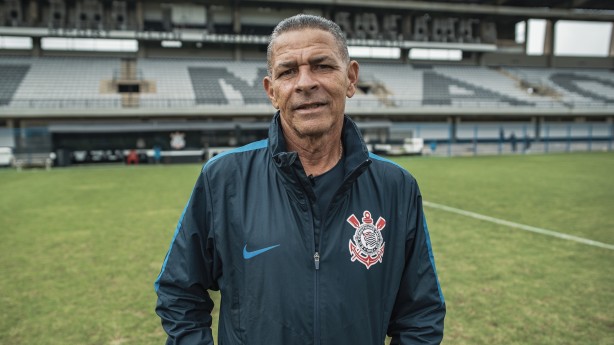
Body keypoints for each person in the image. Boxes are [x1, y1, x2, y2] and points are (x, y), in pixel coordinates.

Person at [155, 14, 445, 345]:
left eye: (322, 66)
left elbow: (420, 314)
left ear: (350, 79)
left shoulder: (396, 186)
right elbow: (179, 293)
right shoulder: (224, 179)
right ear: (272, 91)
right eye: (288, 71)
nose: (305, 83)